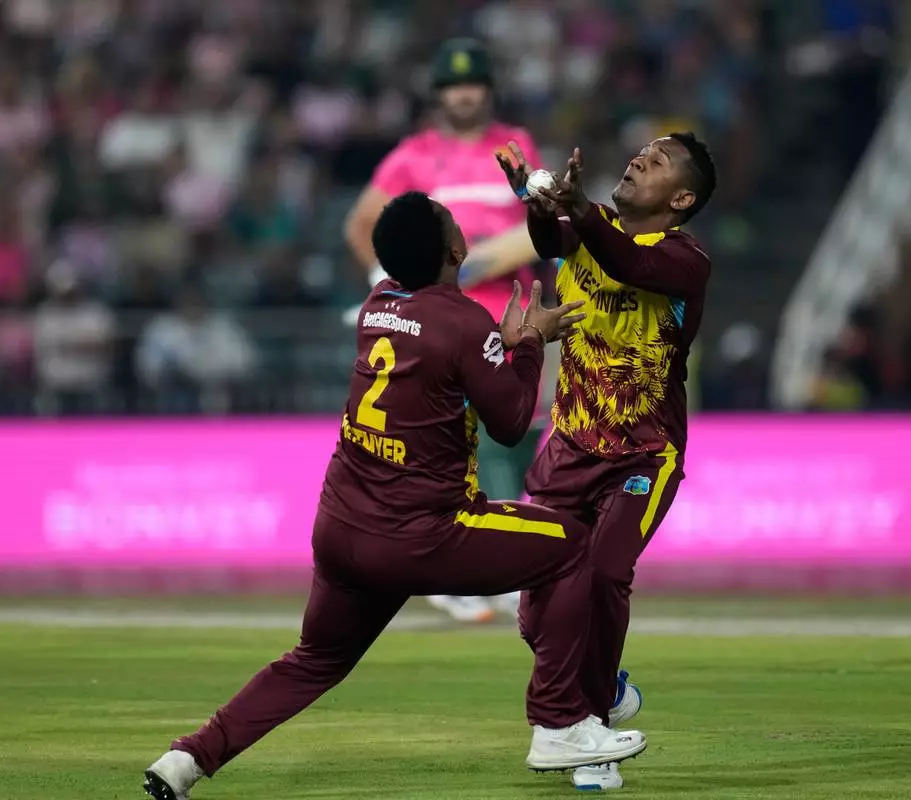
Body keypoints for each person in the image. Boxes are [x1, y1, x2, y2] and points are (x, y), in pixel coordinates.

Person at [142, 192, 645, 800]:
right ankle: (560, 722)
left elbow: (439, 367)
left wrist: (501, 347)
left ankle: (188, 758)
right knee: (572, 546)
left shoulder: (376, 308)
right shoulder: (464, 323)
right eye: (453, 222)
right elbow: (512, 422)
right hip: (420, 534)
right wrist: (532, 341)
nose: (462, 226)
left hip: (341, 528)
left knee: (314, 661)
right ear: (456, 249)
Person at [498, 134, 716, 792]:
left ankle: (586, 734)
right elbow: (550, 241)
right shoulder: (587, 230)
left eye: (656, 161)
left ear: (680, 199)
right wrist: (538, 202)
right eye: (640, 152)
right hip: (568, 445)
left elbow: (624, 264)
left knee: (601, 573)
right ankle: (603, 691)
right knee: (538, 617)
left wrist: (579, 209)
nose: (638, 159)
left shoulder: (685, 259)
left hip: (643, 453)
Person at [344, 38, 548, 624]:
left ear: (489, 91)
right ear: (439, 95)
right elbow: (361, 223)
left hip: (508, 313)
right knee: (462, 444)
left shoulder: (516, 147)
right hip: (440, 321)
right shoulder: (413, 156)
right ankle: (472, 569)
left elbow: (536, 224)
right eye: (454, 86)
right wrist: (384, 273)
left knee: (521, 433)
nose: (465, 95)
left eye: (475, 85)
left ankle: (486, 564)